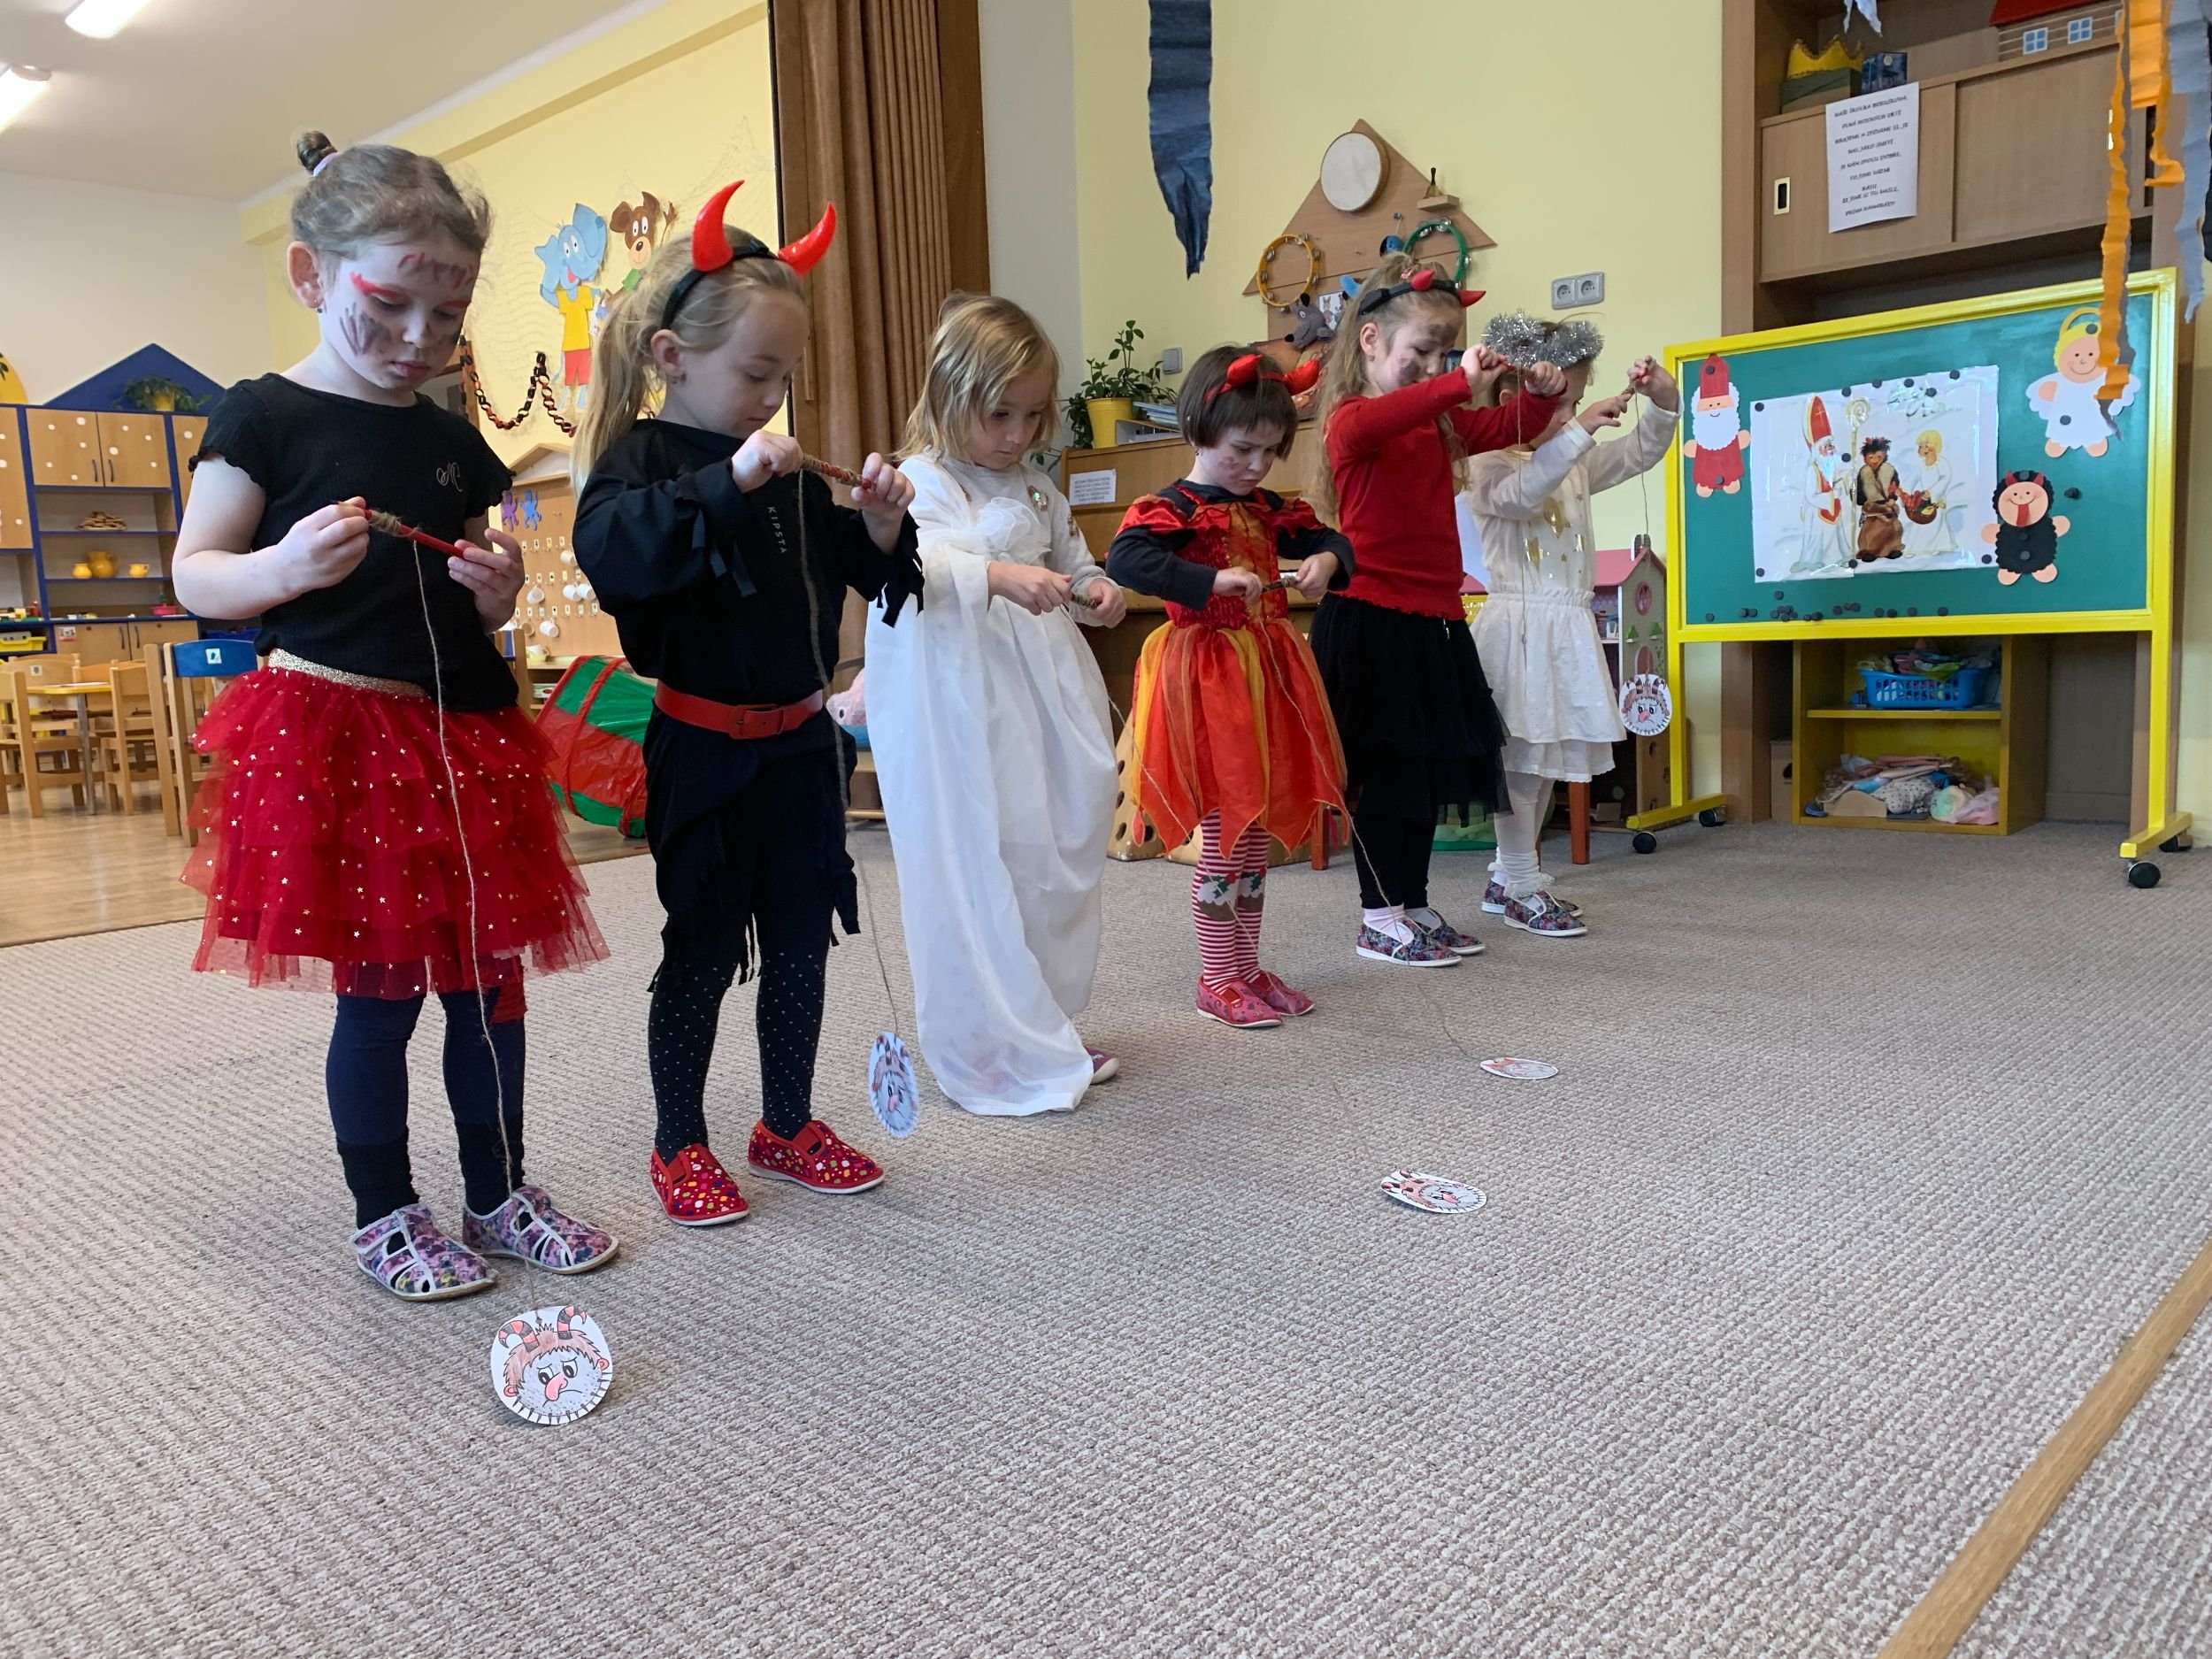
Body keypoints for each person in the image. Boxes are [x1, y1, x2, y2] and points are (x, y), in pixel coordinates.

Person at [172, 132, 615, 1302]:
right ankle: (384, 1210)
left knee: (491, 987)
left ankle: (498, 1189)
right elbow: (198, 568)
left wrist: (500, 590)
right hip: (341, 737)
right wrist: (280, 568)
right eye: (389, 304)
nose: (421, 337)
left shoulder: (452, 435)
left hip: (466, 737)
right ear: (311, 277)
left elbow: (479, 575)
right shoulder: (264, 415)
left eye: (449, 313)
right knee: (381, 996)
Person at [572, 183, 923, 1224]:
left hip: (799, 750)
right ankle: (678, 1141)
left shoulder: (792, 476)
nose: (773, 397)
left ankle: (786, 1124)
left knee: (802, 944)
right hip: (703, 752)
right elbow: (617, 556)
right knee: (704, 948)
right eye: (756, 372)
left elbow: (871, 576)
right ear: (673, 356)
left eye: (785, 376)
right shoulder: (640, 464)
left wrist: (882, 523)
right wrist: (728, 483)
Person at [864, 294, 1127, 1115]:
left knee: (1055, 845)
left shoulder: (1040, 488)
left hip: (1046, 694)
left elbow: (1073, 561)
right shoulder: (921, 481)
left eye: (1033, 414)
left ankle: (1045, 1021)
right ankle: (986, 1036)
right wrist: (998, 575)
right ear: (950, 398)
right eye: (999, 414)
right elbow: (912, 569)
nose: (1017, 434)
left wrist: (1096, 589)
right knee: (992, 850)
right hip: (968, 701)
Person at [1306, 257, 1563, 967]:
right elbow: (1397, 413)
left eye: (1445, 353)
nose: (1433, 367)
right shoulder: (1353, 420)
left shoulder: (1435, 420)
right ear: (1370, 341)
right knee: (1384, 775)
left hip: (1433, 619)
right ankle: (1378, 914)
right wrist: (1457, 381)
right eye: (1420, 351)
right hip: (1372, 619)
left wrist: (1541, 396)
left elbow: (1503, 426)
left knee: (1422, 776)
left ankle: (1412, 903)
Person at [1104, 347, 1350, 1029]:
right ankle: (1216, 977)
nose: (1256, 465)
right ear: (1197, 430)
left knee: (1254, 834)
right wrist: (1208, 581)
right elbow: (1126, 558)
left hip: (1268, 674)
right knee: (1224, 831)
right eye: (1242, 449)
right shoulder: (1171, 506)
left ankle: (1245, 966)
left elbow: (1333, 540)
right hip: (1209, 682)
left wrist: (1325, 562)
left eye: (1270, 452)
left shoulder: (1268, 507)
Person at [1461, 313, 1680, 938]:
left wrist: (1664, 404)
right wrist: (1576, 433)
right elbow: (1522, 495)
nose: (1572, 416)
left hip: (1564, 623)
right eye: (1562, 404)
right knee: (1522, 763)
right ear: (1514, 398)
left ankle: (1509, 876)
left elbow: (1636, 453)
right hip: (1519, 626)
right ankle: (1520, 881)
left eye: (1577, 403)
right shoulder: (1486, 462)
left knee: (1545, 760)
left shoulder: (1574, 458)